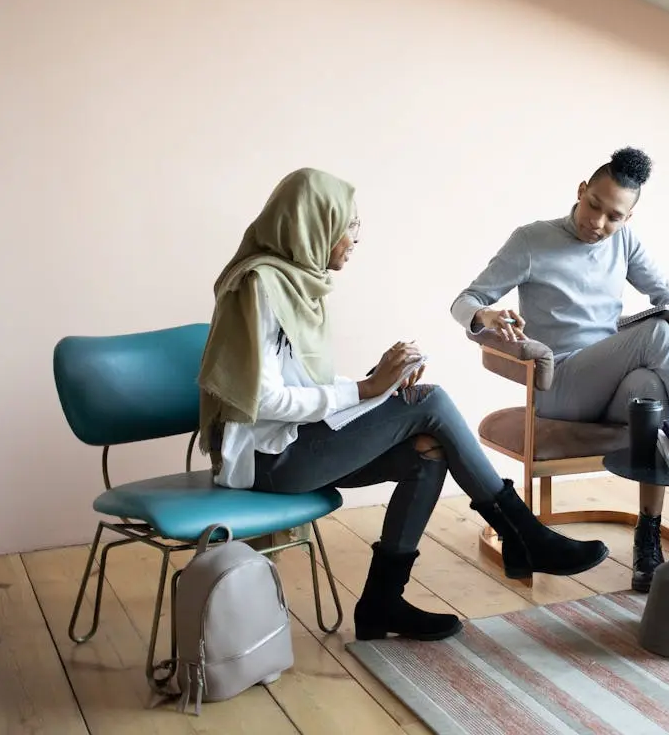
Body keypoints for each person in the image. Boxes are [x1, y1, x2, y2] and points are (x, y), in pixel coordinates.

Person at [196, 167, 609, 642]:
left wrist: (377, 380)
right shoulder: (259, 287)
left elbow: (301, 380)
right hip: (268, 462)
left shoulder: (297, 284)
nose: (354, 240)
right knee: (429, 402)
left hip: (293, 445)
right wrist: (367, 391)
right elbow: (263, 398)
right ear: (313, 226)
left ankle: (381, 604)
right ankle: (525, 536)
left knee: (427, 449)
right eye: (346, 227)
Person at [449, 147, 669, 592]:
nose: (598, 223)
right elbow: (465, 300)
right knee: (653, 338)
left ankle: (648, 536)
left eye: (613, 217)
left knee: (649, 386)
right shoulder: (532, 239)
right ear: (581, 190)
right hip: (560, 387)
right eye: (594, 205)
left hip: (610, 387)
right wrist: (486, 317)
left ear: (626, 220)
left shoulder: (623, 242)